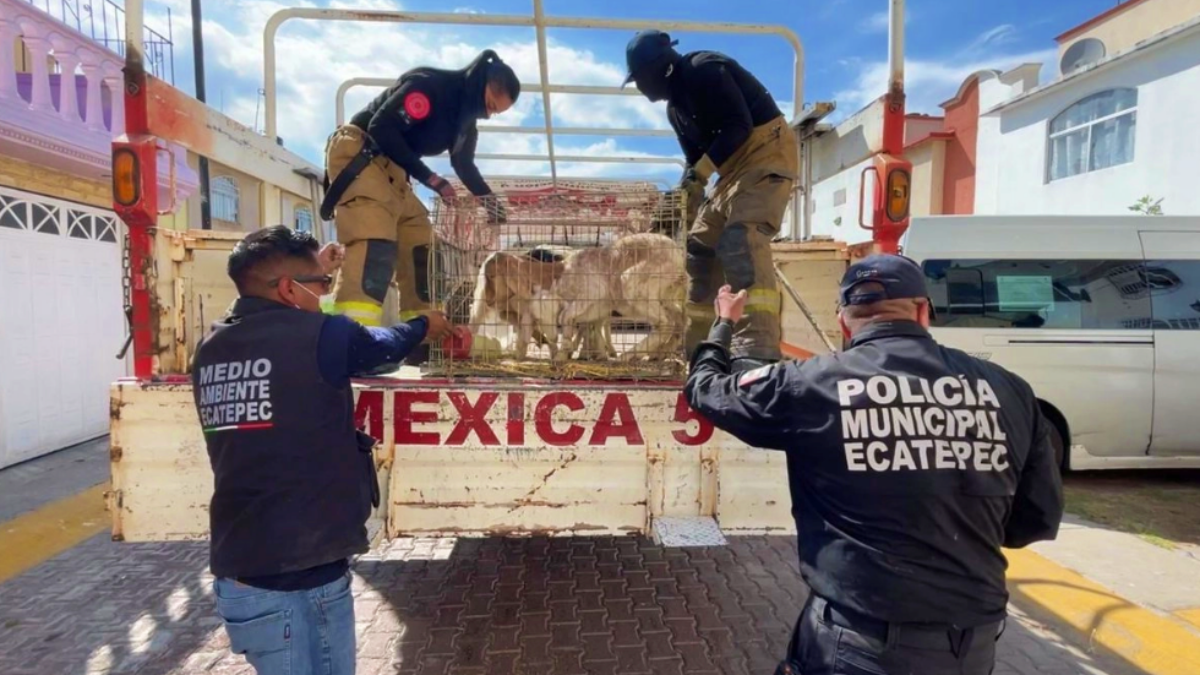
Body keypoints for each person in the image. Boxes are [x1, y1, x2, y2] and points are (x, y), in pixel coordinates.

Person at [683, 254, 1064, 675]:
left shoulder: (811, 383)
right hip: (968, 646)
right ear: (923, 311)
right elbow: (1036, 520)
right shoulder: (1008, 389)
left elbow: (705, 389)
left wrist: (723, 322)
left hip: (856, 642)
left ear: (844, 321)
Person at [190, 225, 453, 675]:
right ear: (291, 289)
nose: (327, 293)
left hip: (240, 571)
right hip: (302, 582)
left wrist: (318, 270)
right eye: (322, 285)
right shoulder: (319, 336)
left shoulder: (210, 348)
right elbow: (384, 348)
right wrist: (425, 324)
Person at [321, 50, 519, 359]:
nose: (487, 114)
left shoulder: (465, 125)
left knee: (421, 246)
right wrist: (432, 179)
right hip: (362, 152)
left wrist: (491, 204)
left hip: (395, 171)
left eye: (494, 112)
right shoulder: (430, 87)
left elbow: (464, 165)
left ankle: (420, 339)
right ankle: (349, 344)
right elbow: (381, 126)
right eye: (490, 105)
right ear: (482, 83)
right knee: (375, 242)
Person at [623, 29, 798, 371]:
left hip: (766, 155)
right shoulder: (676, 110)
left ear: (656, 68)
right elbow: (695, 163)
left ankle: (756, 352)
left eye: (639, 81)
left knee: (740, 238)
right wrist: (680, 201)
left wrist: (700, 175)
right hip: (731, 173)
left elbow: (738, 126)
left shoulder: (704, 70)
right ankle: (699, 349)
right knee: (699, 248)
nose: (640, 90)